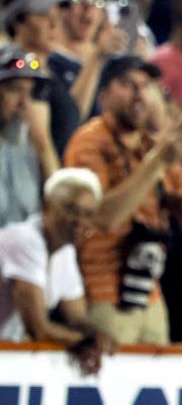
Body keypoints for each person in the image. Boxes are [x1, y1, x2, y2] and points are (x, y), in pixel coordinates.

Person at [63, 55, 182, 345]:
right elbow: (102, 218)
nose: (139, 94)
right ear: (103, 96)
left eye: (145, 86)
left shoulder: (152, 147)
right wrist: (155, 164)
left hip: (149, 292)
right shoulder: (89, 141)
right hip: (103, 293)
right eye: (128, 85)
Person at [0, 168, 114, 375]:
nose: (79, 221)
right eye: (71, 209)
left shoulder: (65, 251)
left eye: (88, 214)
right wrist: (84, 342)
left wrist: (98, 337)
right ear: (46, 205)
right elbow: (38, 329)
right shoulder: (25, 240)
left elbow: (77, 318)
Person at [0, 44, 50, 227]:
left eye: (29, 92)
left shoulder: (27, 148)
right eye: (15, 90)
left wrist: (44, 142)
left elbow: (61, 205)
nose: (25, 103)